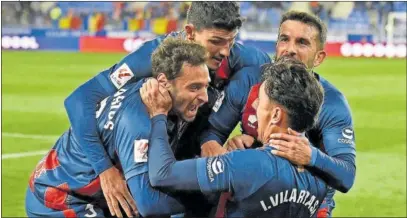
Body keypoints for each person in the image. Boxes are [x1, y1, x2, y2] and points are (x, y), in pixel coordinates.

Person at [63, 2, 271, 216]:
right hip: (150, 156)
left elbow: (271, 81)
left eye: (232, 41)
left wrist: (250, 136)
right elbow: (80, 100)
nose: (225, 52)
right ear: (190, 32)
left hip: (187, 154)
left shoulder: (242, 57)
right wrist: (105, 170)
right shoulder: (153, 57)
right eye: (216, 42)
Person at [25, 38, 211, 217]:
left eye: (205, 86)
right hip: (60, 198)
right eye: (194, 88)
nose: (205, 97)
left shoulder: (161, 101)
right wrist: (216, 189)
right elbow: (148, 203)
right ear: (163, 82)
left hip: (96, 196)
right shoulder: (137, 121)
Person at [200, 11, 357, 217]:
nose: (290, 49)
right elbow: (213, 131)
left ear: (319, 57)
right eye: (284, 39)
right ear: (276, 44)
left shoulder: (332, 103)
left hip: (306, 205)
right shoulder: (248, 81)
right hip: (251, 195)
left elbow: (346, 176)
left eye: (302, 43)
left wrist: (312, 156)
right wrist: (216, 147)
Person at [141, 58, 327, 217]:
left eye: (261, 100)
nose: (254, 103)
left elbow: (162, 174)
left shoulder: (247, 164)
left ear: (276, 115)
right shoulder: (320, 176)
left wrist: (158, 115)